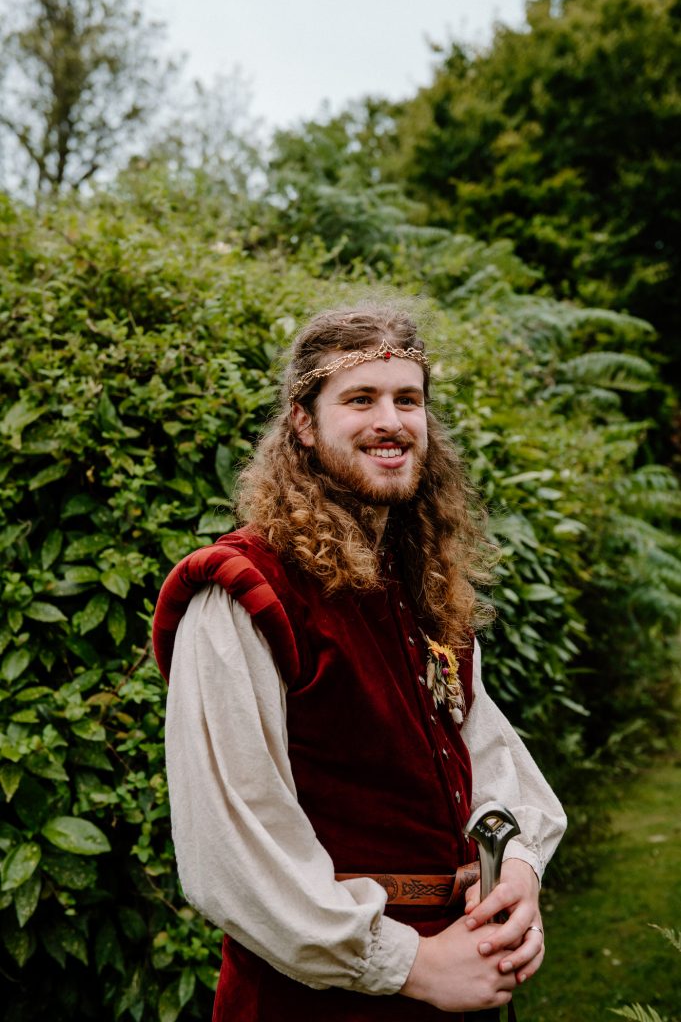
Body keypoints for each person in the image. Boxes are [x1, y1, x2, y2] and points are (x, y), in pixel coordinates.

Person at [153, 303, 567, 1021]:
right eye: (360, 399)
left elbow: (488, 756)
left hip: (458, 974)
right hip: (314, 1001)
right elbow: (233, 843)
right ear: (304, 424)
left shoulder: (422, 589)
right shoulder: (243, 593)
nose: (390, 421)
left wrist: (515, 871)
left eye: (408, 399)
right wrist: (409, 964)